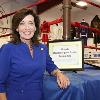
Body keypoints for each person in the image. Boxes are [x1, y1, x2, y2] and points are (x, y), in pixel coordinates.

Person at [0, 8, 70, 100]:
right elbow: (0, 83)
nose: (27, 27)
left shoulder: (42, 48)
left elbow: (51, 66)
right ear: (17, 28)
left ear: (35, 27)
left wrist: (59, 74)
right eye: (22, 23)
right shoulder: (8, 48)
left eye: (30, 23)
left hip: (38, 96)